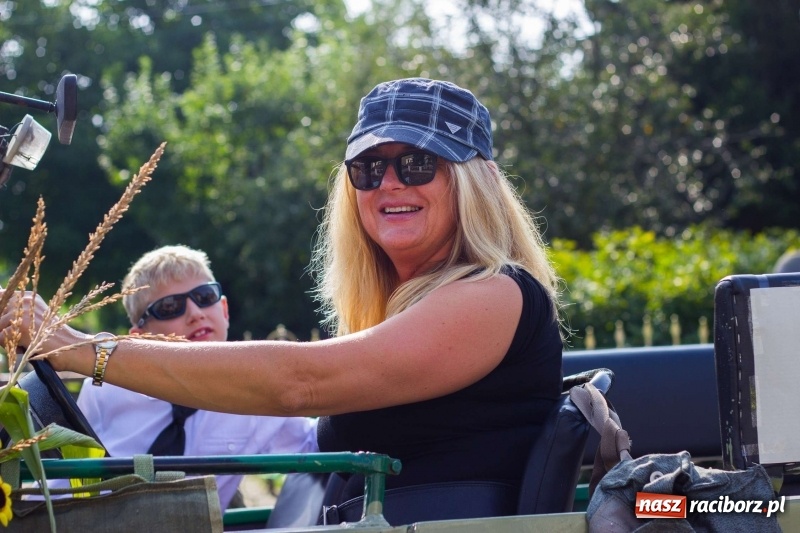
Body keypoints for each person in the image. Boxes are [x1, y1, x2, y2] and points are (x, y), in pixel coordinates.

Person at [1, 78, 563, 521]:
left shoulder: (493, 293)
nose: (390, 182)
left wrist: (79, 348)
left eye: (418, 163)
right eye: (368, 168)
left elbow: (301, 382)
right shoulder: (414, 307)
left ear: (476, 180)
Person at [58, 245, 318, 511]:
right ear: (140, 337)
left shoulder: (256, 396)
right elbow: (55, 484)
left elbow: (318, 444)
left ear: (224, 310)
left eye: (205, 296)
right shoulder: (105, 390)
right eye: (170, 307)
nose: (195, 313)